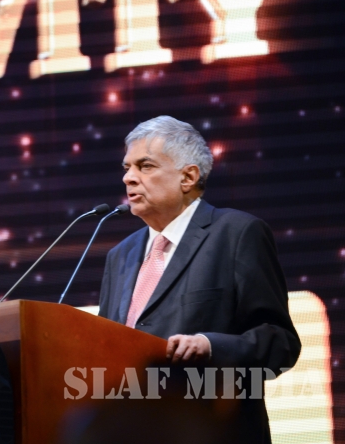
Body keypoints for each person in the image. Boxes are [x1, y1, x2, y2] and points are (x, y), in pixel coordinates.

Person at [98, 116, 301, 443]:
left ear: (188, 177)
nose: (128, 177)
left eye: (145, 166)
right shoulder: (119, 255)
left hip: (212, 430)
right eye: (127, 168)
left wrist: (210, 346)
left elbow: (280, 343)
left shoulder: (236, 233)